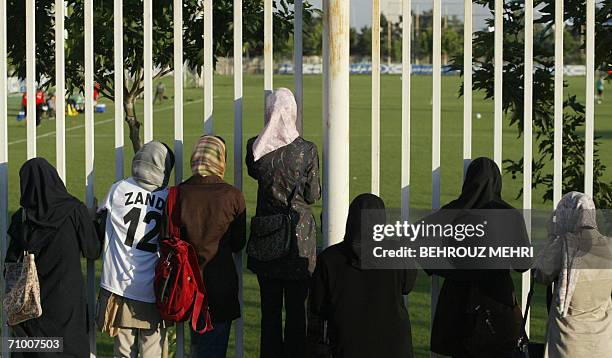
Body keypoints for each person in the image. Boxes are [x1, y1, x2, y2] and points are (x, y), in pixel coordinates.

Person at [423, 157, 530, 358]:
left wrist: (449, 268)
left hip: (458, 301)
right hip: (497, 300)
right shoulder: (509, 215)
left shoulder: (453, 212)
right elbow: (522, 264)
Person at [246, 87, 321, 358]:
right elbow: (313, 195)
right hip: (298, 237)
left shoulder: (256, 146)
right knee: (297, 312)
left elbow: (255, 171)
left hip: (268, 235)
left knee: (270, 313)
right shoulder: (306, 150)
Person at [5, 158, 102, 357]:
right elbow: (93, 250)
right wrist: (94, 222)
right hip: (68, 305)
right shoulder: (74, 211)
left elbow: (10, 268)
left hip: (33, 308)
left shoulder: (21, 219)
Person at [308, 193, 418, 358]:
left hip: (348, 345)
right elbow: (407, 286)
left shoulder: (329, 259)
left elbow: (318, 306)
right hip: (393, 346)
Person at [167, 135, 246, 358]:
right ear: (220, 159)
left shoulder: (179, 194)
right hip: (220, 283)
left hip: (187, 283)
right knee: (214, 349)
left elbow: (170, 237)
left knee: (198, 347)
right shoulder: (232, 196)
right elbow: (239, 244)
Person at [96, 141, 175, 358]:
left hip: (119, 283)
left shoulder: (119, 188)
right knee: (153, 350)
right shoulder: (168, 196)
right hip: (152, 285)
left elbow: (100, 215)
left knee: (123, 350)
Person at [534, 192, 612, 358]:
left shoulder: (564, 245)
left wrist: (552, 238)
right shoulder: (608, 246)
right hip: (602, 342)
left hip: (568, 342)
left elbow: (541, 274)